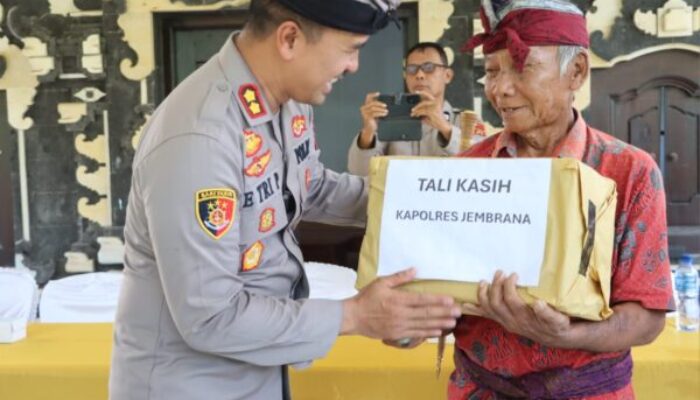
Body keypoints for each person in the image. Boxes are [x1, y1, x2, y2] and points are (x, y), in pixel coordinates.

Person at [109, 1, 462, 399]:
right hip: (192, 384)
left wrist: (417, 204)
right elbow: (210, 315)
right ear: (290, 39)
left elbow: (310, 186)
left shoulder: (287, 99)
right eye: (351, 48)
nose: (354, 67)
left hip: (257, 369)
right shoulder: (201, 139)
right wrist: (357, 315)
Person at [449, 1, 674, 399]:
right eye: (491, 71)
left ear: (577, 71)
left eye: (521, 67)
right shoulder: (467, 168)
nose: (499, 89)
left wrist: (569, 334)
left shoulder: (629, 172)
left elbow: (647, 317)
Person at [347, 42, 484, 176]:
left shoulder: (467, 120)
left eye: (429, 67)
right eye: (412, 69)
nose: (419, 75)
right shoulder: (389, 118)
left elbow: (482, 166)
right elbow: (359, 172)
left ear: (447, 75)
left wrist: (444, 128)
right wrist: (368, 131)